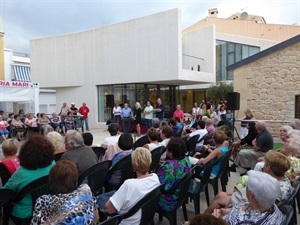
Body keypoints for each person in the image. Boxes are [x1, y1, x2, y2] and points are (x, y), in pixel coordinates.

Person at [102, 147, 160, 225]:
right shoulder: (155, 178)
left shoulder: (129, 184)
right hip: (145, 220)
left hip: (126, 222)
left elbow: (109, 209)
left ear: (133, 165)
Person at [3, 135, 56, 219]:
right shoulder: (53, 164)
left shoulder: (21, 173)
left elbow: (5, 193)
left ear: (25, 153)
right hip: (47, 204)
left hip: (26, 213)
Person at [31, 160, 99, 225]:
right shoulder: (85, 191)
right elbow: (96, 218)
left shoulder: (43, 201)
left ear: (51, 183)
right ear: (76, 181)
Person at [212, 171, 285, 225]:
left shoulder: (249, 222)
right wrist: (229, 211)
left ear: (251, 195)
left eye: (246, 186)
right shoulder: (270, 205)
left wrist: (216, 221)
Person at [157, 137, 191, 212]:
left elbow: (158, 184)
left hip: (168, 202)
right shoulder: (186, 160)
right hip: (179, 196)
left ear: (171, 152)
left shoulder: (168, 167)